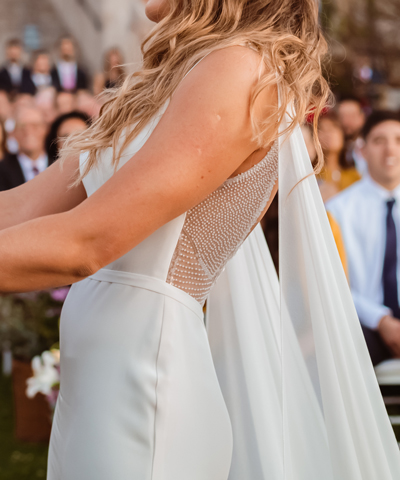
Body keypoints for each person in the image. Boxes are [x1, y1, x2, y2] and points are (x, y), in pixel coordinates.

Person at [0, 1, 399, 479]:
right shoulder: (175, 75)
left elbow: (87, 243)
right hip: (98, 385)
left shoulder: (240, 69)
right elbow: (22, 208)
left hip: (144, 385)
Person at [327, 111, 400, 367]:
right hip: (366, 324)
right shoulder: (338, 211)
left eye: (398, 140)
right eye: (379, 141)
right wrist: (381, 320)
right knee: (344, 348)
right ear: (363, 150)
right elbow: (335, 283)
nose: (390, 150)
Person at [0, 106, 51, 190]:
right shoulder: (2, 169)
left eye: (35, 126)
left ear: (45, 129)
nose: (28, 131)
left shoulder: (60, 166)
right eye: (22, 126)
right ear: (13, 133)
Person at [317, 110, 361, 202]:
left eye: (333, 128)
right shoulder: (311, 174)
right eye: (322, 129)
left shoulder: (354, 176)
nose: (328, 134)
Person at [337, 96, 367, 175]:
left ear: (362, 118)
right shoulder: (332, 148)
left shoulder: (370, 145)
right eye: (342, 117)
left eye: (351, 116)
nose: (346, 121)